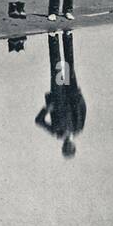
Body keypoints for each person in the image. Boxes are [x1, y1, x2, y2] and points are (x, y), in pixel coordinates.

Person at [35, 30, 86, 158]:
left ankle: (53, 38)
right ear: (74, 146)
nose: (68, 145)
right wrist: (80, 97)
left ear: (63, 146)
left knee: (56, 66)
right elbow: (83, 110)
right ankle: (67, 36)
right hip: (72, 93)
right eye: (70, 148)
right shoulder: (78, 129)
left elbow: (39, 121)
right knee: (69, 65)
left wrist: (47, 108)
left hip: (58, 96)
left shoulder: (56, 132)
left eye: (65, 147)